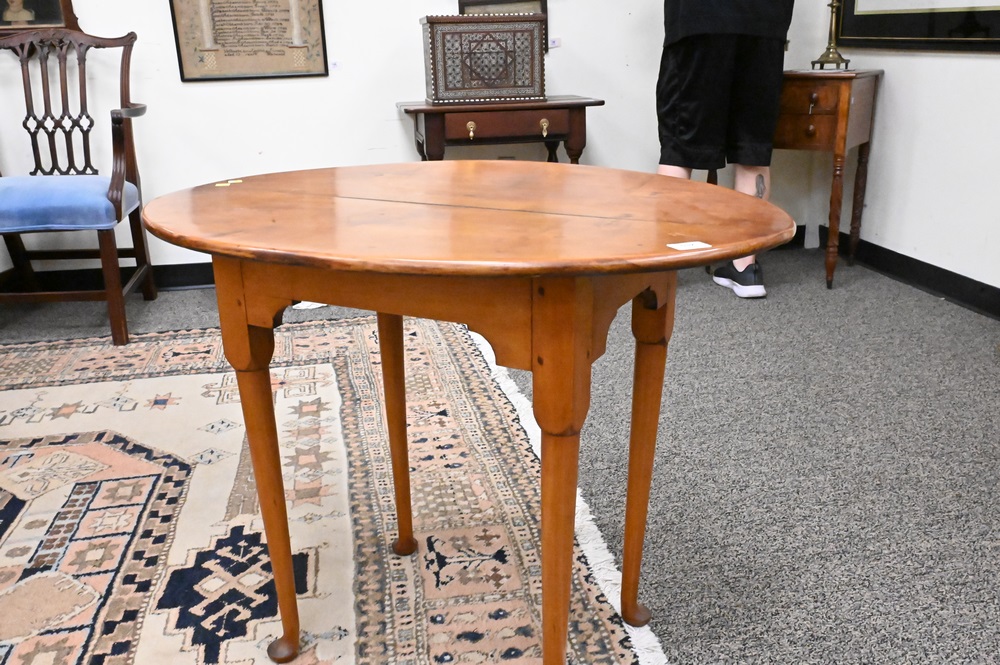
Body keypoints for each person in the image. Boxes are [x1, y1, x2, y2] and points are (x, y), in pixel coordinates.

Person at [656, 1, 794, 298]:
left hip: (700, 17)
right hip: (765, 23)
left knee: (680, 145)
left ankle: (665, 268)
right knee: (752, 147)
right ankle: (746, 268)